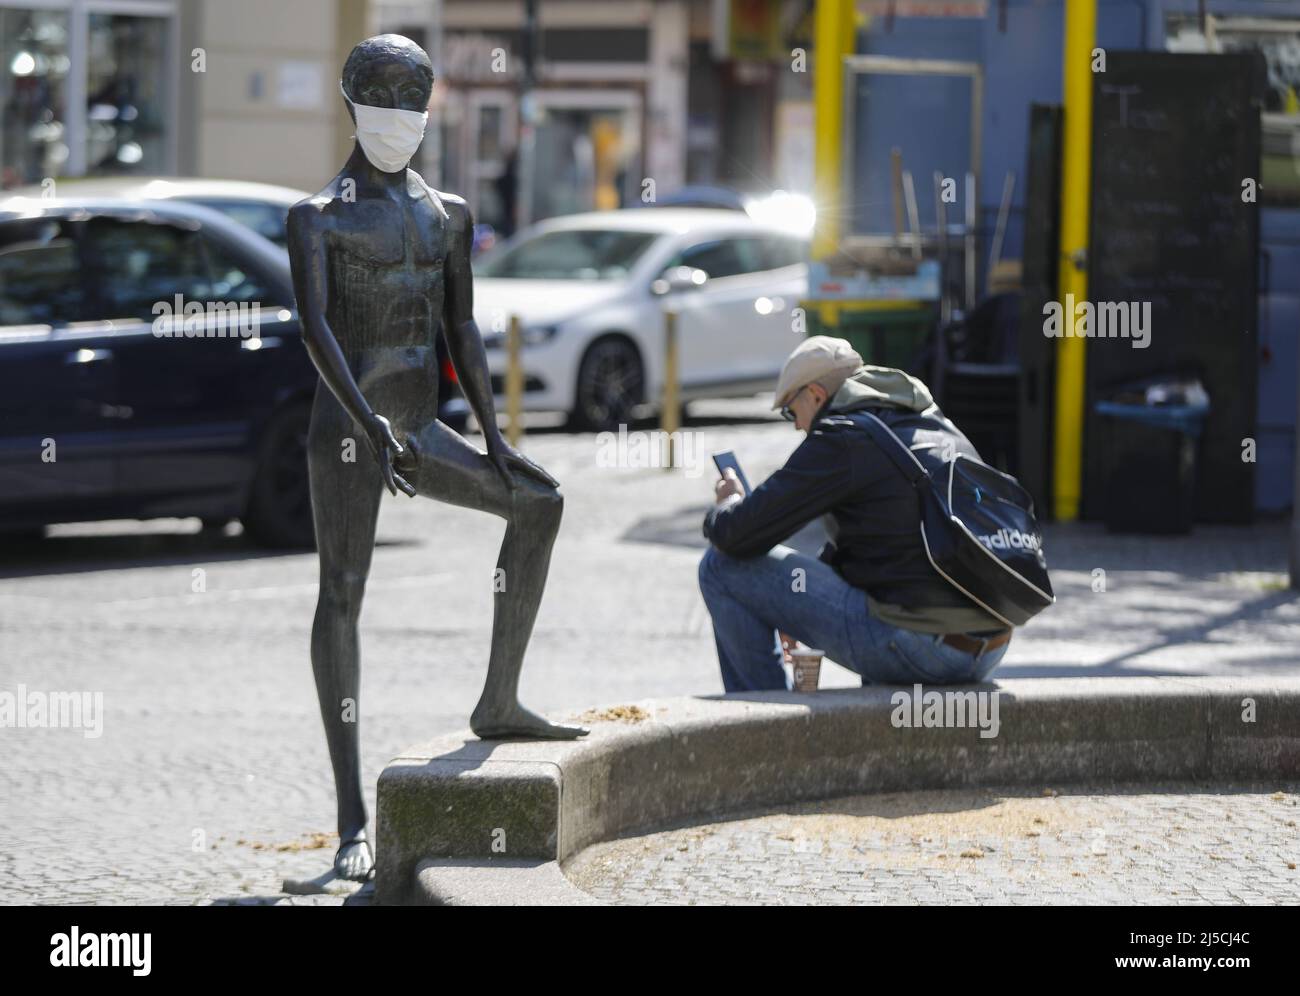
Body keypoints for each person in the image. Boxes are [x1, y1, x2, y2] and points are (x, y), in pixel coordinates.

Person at [698, 336, 1012, 692]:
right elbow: (884, 541)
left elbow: (738, 534)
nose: (798, 426)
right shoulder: (928, 421)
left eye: (791, 411)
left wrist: (727, 503)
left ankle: (762, 732)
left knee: (721, 567)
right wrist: (785, 606)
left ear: (815, 395)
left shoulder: (841, 437)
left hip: (921, 649)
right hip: (989, 646)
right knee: (891, 598)